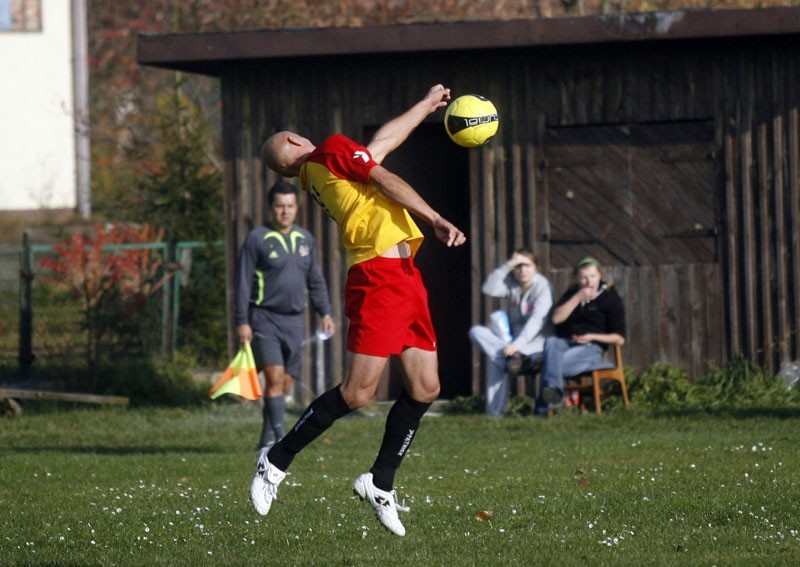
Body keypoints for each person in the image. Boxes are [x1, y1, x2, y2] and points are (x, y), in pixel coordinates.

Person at [254, 84, 466, 536]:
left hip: (405, 276)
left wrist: (425, 106)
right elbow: (382, 175)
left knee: (426, 387)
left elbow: (380, 147)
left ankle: (380, 482)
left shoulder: (327, 169)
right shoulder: (328, 149)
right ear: (293, 143)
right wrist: (435, 217)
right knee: (356, 393)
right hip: (378, 279)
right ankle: (276, 459)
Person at [235, 180, 336, 450]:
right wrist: (242, 320)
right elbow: (243, 282)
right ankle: (281, 439)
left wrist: (324, 312)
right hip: (264, 318)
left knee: (286, 381)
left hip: (295, 321)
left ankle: (266, 438)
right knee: (275, 376)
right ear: (271, 208)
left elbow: (315, 279)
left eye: (290, 206)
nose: (285, 211)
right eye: (279, 206)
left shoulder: (305, 239)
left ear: (297, 208)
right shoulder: (257, 238)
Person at [534, 257, 626, 417]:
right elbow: (556, 319)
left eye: (592, 276)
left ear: (600, 276)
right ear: (576, 279)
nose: (588, 281)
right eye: (583, 277)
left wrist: (592, 336)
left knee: (549, 365)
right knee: (551, 342)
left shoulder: (610, 297)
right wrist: (577, 298)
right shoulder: (571, 294)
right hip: (565, 344)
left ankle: (542, 411)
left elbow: (619, 339)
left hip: (591, 348)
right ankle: (555, 393)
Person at [469, 249, 553, 416]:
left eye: (527, 265)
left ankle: (494, 414)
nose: (522, 270)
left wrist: (516, 345)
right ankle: (494, 414)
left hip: (537, 343)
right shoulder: (513, 285)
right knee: (476, 331)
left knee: (497, 361)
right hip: (511, 344)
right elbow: (489, 288)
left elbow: (537, 321)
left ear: (536, 267)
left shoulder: (543, 286)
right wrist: (508, 265)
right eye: (518, 266)